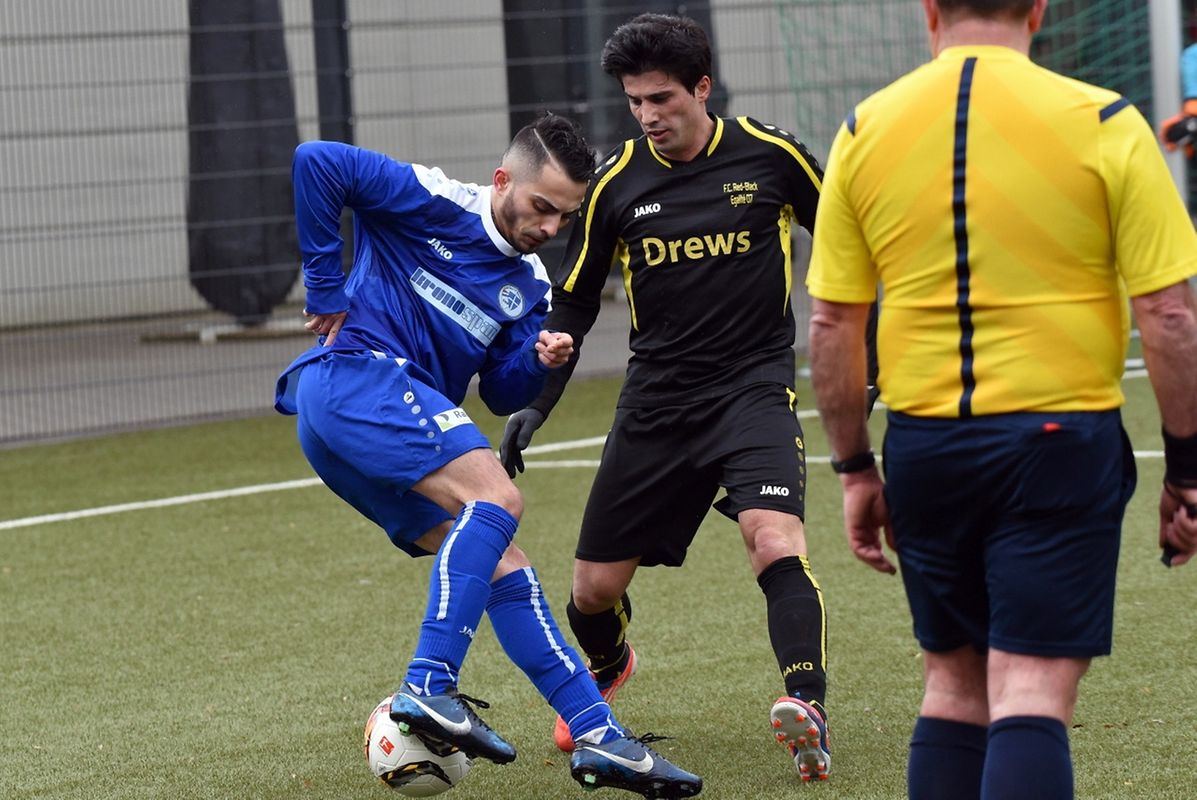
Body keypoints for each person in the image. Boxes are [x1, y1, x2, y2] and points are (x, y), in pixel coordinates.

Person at [805, 2, 1197, 799]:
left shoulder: (862, 129)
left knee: (952, 688)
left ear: (928, 10)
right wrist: (1185, 464)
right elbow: (1169, 314)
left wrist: (852, 466)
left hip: (925, 444)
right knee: (1030, 693)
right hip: (1058, 440)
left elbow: (830, 322)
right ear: (1038, 8)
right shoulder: (1104, 120)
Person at [273, 114, 702, 798]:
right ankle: (427, 684)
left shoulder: (530, 287)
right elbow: (317, 161)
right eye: (540, 207)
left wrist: (537, 361)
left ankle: (598, 736)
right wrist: (323, 286)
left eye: (563, 217)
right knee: (497, 498)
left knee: (507, 562)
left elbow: (501, 394)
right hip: (354, 376)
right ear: (503, 181)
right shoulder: (434, 199)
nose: (549, 228)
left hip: (360, 420)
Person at [500, 14, 833, 783]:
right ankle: (610, 662)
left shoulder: (773, 157)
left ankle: (806, 707)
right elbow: (573, 302)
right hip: (655, 402)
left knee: (772, 538)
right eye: (634, 102)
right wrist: (535, 404)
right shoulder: (616, 183)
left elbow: (846, 244)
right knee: (590, 591)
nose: (647, 115)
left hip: (752, 389)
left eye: (661, 98)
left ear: (702, 88)